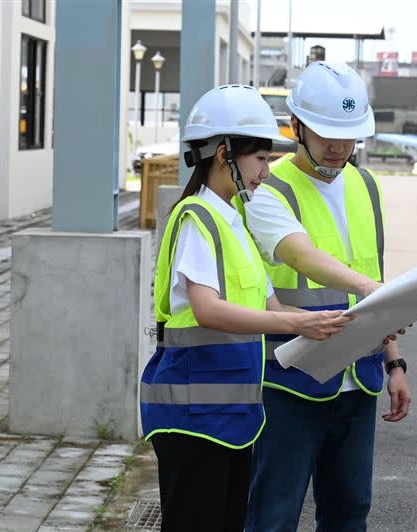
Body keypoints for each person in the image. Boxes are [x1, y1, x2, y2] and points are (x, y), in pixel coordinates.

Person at [139, 84, 353, 532]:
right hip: (192, 419)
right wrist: (295, 320)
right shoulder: (198, 218)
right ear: (224, 154)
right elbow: (207, 310)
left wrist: (340, 326)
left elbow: (268, 303)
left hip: (229, 418)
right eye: (259, 159)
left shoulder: (234, 218)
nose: (266, 172)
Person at [243, 61, 411, 532]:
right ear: (295, 126)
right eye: (326, 133)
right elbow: (299, 254)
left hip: (358, 380)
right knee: (273, 514)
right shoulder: (267, 189)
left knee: (349, 511)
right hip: (289, 380)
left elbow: (374, 274)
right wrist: (367, 288)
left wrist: (394, 362)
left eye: (350, 135)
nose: (339, 147)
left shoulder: (365, 185)